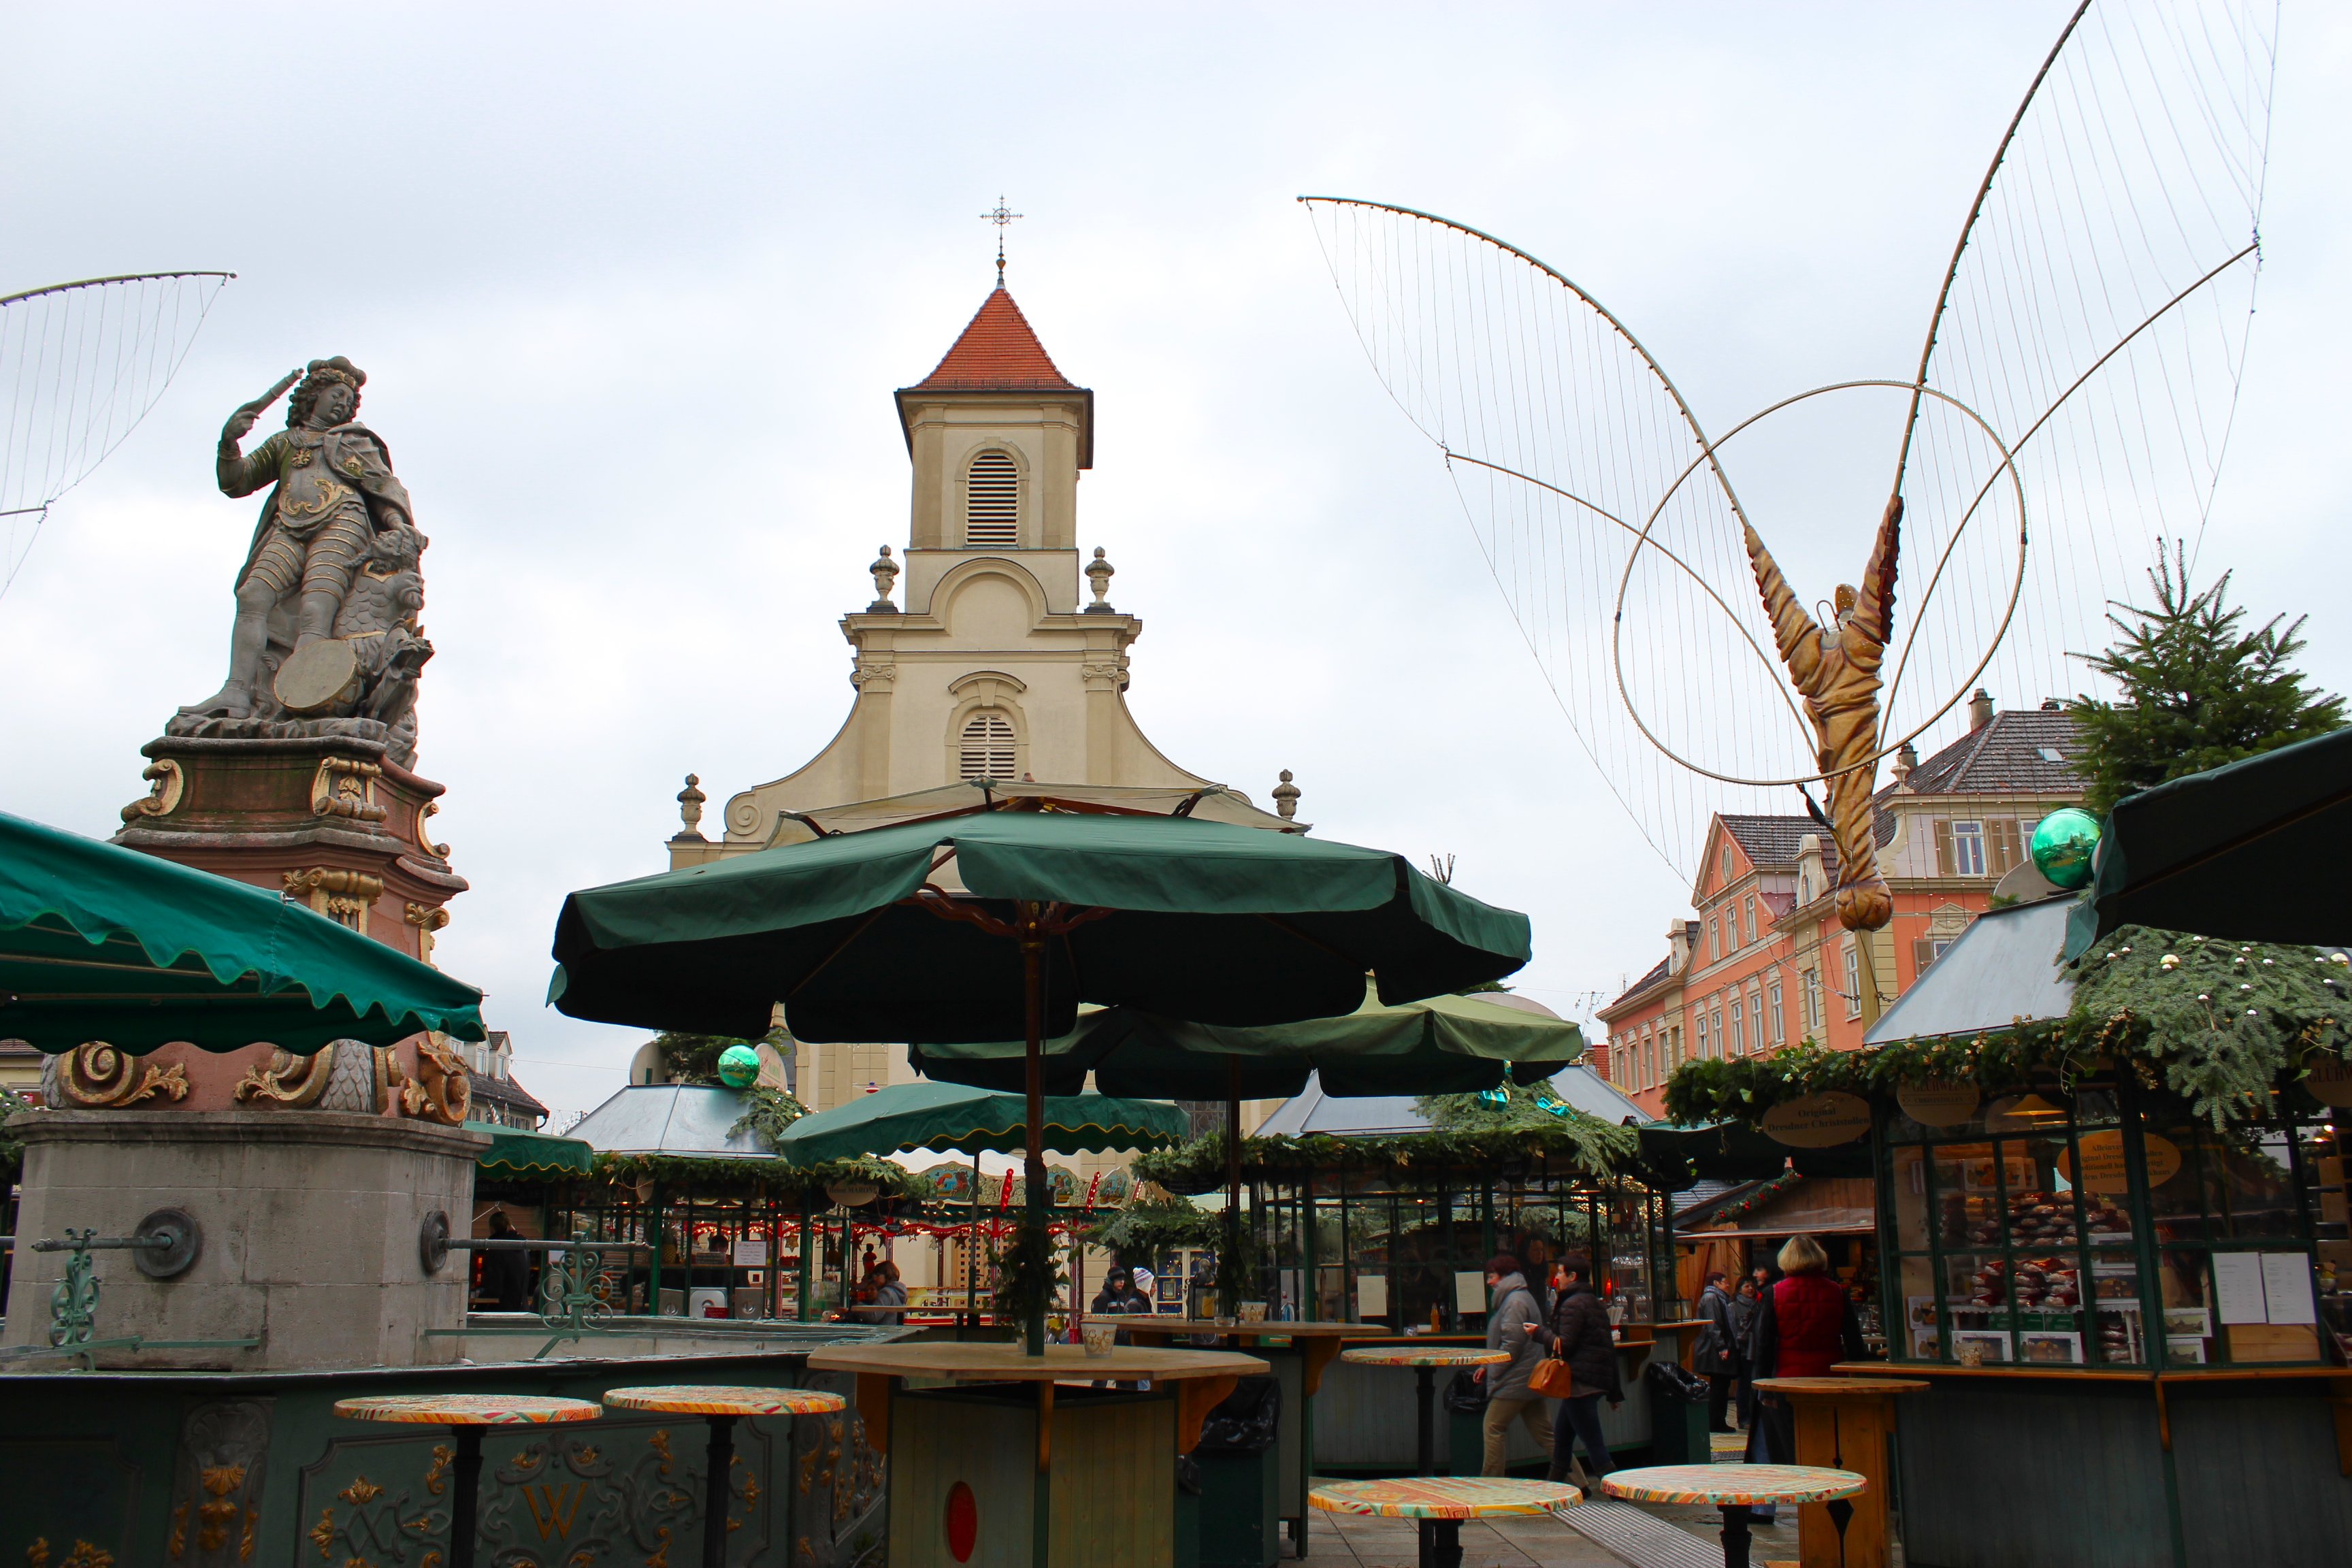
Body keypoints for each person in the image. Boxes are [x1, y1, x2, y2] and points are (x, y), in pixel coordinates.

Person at [1749, 1234, 1867, 1465]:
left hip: (1787, 1379)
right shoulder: (1837, 1292)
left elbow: (1765, 1345)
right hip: (1831, 1377)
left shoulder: (1775, 1293)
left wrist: (1764, 1389)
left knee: (1791, 1443)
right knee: (1829, 1439)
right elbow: (1854, 1341)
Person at [1539, 1252, 1622, 1493]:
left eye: (1560, 1272)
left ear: (1572, 1276)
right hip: (1589, 1382)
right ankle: (1552, 1493)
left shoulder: (1572, 1304)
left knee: (1595, 1446)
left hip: (1579, 1383)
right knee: (1562, 1442)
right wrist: (1614, 1391)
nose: (1556, 1277)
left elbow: (1564, 1345)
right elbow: (1608, 1348)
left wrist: (1539, 1334)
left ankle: (1619, 1496)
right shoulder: (1594, 1303)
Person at [1471, 1254, 1550, 1476]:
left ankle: (1492, 1484)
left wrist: (1492, 1369)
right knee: (1546, 1435)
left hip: (1514, 1380)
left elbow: (1511, 1345)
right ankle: (1581, 1482)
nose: (1489, 1282)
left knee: (1493, 1426)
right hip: (1529, 1378)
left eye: (1492, 1276)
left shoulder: (1514, 1302)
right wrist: (1487, 1366)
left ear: (1505, 1276)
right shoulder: (1519, 1297)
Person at [1694, 1269, 1739, 1432]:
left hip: (1714, 1348)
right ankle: (1716, 1422)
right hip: (1713, 1350)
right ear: (1716, 1283)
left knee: (1721, 1385)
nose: (1728, 1285)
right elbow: (1713, 1324)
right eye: (1725, 1282)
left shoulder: (1719, 1298)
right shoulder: (1712, 1298)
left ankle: (1717, 1420)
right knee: (1719, 1386)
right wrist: (1722, 1347)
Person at [480, 1209, 532, 1313]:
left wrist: (481, 1301)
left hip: (501, 1309)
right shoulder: (523, 1248)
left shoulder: (496, 1249)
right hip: (522, 1307)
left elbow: (494, 1286)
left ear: (492, 1229)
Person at [1730, 1275, 1762, 1429]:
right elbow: (1733, 1329)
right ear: (1739, 1289)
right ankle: (1744, 1418)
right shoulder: (1734, 1307)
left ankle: (1756, 1417)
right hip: (1743, 1351)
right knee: (1744, 1385)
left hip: (1757, 1349)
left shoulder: (1759, 1304)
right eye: (1746, 1286)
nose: (1750, 1289)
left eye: (1751, 1286)